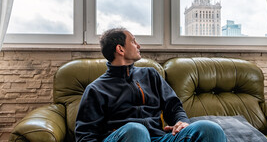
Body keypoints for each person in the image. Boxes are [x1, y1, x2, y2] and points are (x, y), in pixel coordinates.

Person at [75, 27, 227, 142]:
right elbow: (85, 136)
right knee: (136, 130)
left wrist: (182, 122)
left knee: (210, 129)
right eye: (133, 41)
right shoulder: (96, 89)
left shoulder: (150, 75)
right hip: (128, 137)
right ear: (120, 49)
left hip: (159, 138)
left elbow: (174, 107)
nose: (138, 45)